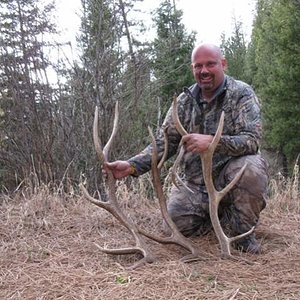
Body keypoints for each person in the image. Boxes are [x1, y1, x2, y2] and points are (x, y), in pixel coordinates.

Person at [104, 43, 269, 254]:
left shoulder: (241, 94)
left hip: (232, 179)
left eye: (210, 64)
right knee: (174, 225)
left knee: (251, 167)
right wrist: (131, 166)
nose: (204, 71)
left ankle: (242, 235)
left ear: (223, 64)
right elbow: (165, 143)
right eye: (198, 66)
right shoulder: (183, 102)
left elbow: (252, 140)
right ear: (192, 69)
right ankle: (218, 216)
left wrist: (212, 142)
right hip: (196, 185)